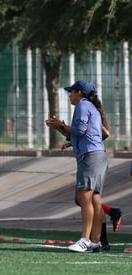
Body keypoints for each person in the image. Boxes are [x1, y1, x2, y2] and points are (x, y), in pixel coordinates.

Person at [45, 80, 108, 253]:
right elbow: (97, 133)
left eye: (71, 92)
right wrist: (63, 131)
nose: (70, 95)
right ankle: (95, 241)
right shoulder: (92, 107)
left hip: (90, 157)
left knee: (84, 198)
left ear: (79, 92)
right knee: (95, 200)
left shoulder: (82, 105)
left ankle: (84, 240)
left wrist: (61, 125)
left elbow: (80, 130)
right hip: (99, 156)